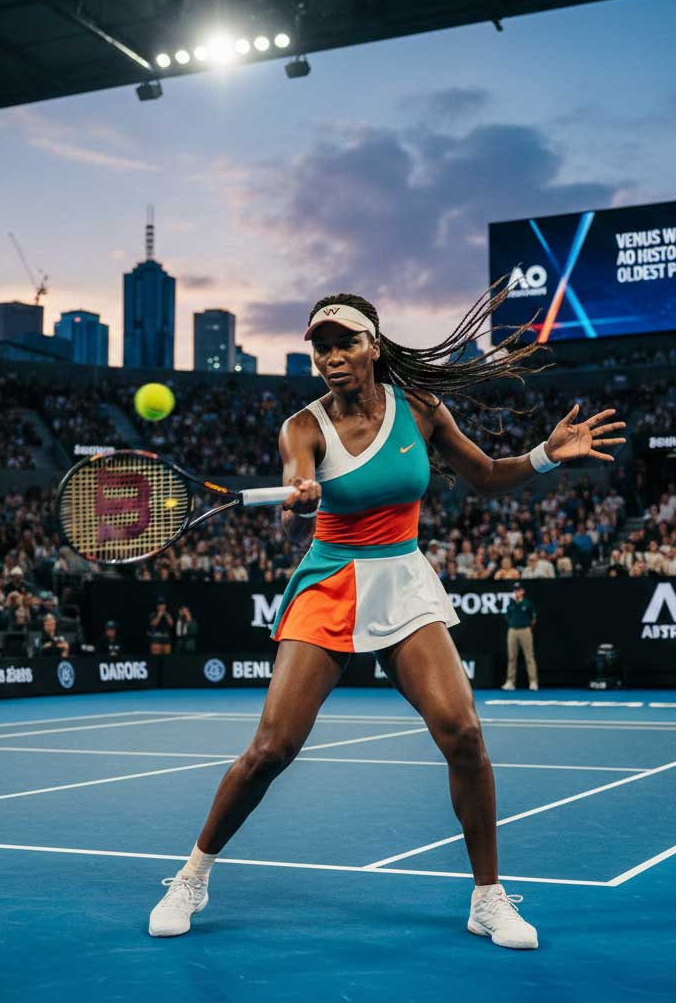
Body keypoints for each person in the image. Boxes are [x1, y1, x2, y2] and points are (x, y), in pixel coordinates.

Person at [149, 286, 625, 948]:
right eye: (321, 347)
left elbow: (488, 474)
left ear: (373, 345)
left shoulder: (421, 408)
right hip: (330, 582)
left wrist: (546, 455)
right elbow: (294, 511)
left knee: (463, 733)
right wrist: (300, 502)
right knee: (271, 750)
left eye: (345, 343)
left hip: (402, 579)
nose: (332, 357)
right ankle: (192, 876)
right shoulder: (302, 428)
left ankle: (488, 899)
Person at [502, 583, 538, 691]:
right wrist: (513, 624)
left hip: (525, 630)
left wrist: (527, 627)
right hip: (512, 631)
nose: (516, 592)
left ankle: (533, 682)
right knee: (511, 657)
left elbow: (533, 618)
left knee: (529, 657)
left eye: (518, 590)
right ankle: (510, 682)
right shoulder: (511, 604)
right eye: (515, 590)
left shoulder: (527, 604)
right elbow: (507, 616)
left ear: (522, 591)